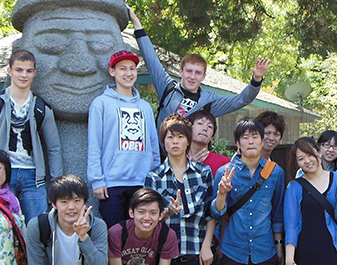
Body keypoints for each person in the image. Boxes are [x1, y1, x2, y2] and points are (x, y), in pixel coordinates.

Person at [129, 7, 270, 128]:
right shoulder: (168, 88)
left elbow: (242, 99)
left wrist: (256, 79)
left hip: (193, 158)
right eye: (189, 71)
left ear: (203, 77)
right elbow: (150, 58)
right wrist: (136, 21)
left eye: (197, 73)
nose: (192, 76)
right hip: (163, 155)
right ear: (181, 72)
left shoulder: (210, 102)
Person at [0, 49, 63, 218]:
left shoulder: (42, 108)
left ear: (34, 73)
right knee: (1, 226)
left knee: (36, 229)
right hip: (1, 174)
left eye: (29, 71)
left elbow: (54, 148)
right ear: (10, 71)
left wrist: (56, 182)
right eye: (19, 70)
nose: (24, 75)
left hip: (32, 176)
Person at [88, 49, 160, 226]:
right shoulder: (101, 104)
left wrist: (155, 175)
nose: (128, 73)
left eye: (132, 68)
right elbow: (95, 143)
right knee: (115, 235)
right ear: (112, 72)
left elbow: (153, 143)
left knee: (139, 237)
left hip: (142, 182)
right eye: (122, 68)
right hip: (112, 184)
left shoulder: (145, 107)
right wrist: (97, 180)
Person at [210, 118, 286, 265]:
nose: (250, 142)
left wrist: (279, 246)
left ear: (262, 141)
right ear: (238, 144)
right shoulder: (224, 173)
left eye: (255, 137)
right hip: (233, 251)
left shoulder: (276, 173)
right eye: (245, 137)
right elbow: (216, 214)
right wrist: (221, 193)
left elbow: (277, 214)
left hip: (265, 250)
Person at [145, 115, 216, 265]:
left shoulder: (203, 172)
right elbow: (147, 220)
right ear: (163, 142)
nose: (175, 141)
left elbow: (211, 213)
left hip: (198, 254)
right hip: (166, 257)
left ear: (188, 141)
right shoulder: (154, 177)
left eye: (180, 136)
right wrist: (168, 212)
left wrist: (206, 246)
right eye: (170, 137)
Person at [284, 138, 337, 265]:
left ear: (319, 152)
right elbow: (291, 225)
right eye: (301, 159)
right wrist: (289, 258)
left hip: (332, 250)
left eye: (310, 155)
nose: (307, 161)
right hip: (305, 252)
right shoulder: (294, 187)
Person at [24, 174, 108, 265]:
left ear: (85, 202)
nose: (71, 207)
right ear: (54, 204)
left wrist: (84, 237)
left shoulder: (97, 226)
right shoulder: (38, 226)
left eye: (77, 201)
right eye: (64, 202)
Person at [108, 189, 180, 265]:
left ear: (160, 215)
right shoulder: (117, 232)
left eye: (153, 213)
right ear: (131, 213)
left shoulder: (167, 235)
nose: (147, 218)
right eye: (141, 212)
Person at [187, 109, 231, 177]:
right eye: (200, 123)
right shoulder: (179, 159)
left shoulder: (224, 163)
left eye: (210, 126)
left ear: (212, 137)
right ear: (189, 129)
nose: (205, 128)